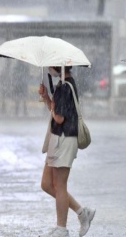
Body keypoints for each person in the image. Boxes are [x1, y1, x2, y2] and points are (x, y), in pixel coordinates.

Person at [38, 66, 95, 237]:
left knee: (60, 185)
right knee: (47, 184)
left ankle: (61, 229)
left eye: (51, 66)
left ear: (58, 67)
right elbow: (56, 111)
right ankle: (82, 212)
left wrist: (53, 102)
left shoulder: (64, 87)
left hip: (64, 138)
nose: (49, 69)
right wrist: (46, 97)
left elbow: (59, 117)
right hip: (58, 138)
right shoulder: (63, 84)